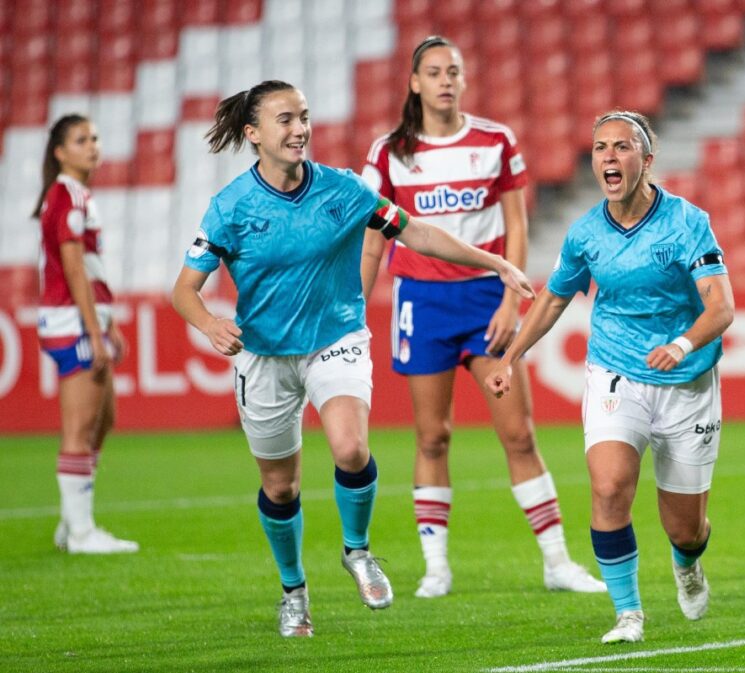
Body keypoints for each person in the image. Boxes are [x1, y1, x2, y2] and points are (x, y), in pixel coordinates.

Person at [171, 80, 534, 637]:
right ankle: (294, 590)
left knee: (350, 446)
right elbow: (185, 290)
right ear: (253, 134)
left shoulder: (345, 190)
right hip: (264, 358)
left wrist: (494, 262)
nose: (299, 130)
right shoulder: (230, 208)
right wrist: (211, 323)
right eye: (285, 120)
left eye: (304, 117)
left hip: (335, 340)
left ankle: (358, 551)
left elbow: (420, 233)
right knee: (281, 488)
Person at [361, 35, 605, 599]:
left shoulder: (495, 140)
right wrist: (357, 302)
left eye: (455, 70)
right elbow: (373, 233)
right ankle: (436, 567)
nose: (447, 79)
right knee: (432, 436)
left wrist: (509, 298)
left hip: (483, 302)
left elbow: (517, 225)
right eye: (435, 71)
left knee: (518, 433)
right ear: (415, 83)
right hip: (420, 303)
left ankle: (556, 562)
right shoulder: (388, 152)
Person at [485, 111, 735, 643]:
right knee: (609, 487)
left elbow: (721, 309)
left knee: (685, 529)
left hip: (687, 380)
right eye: (600, 148)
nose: (609, 157)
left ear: (647, 160)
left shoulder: (689, 223)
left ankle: (687, 562)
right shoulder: (585, 234)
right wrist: (511, 357)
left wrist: (681, 343)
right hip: (615, 374)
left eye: (622, 147)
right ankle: (628, 614)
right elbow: (553, 298)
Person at [34, 114, 138, 555]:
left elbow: (87, 269)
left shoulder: (74, 195)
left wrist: (108, 323)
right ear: (60, 151)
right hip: (72, 322)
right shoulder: (66, 196)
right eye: (81, 140)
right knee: (79, 428)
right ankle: (80, 533)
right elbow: (73, 268)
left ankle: (71, 523)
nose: (92, 146)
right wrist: (94, 331)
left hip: (84, 319)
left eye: (95, 138)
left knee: (103, 419)